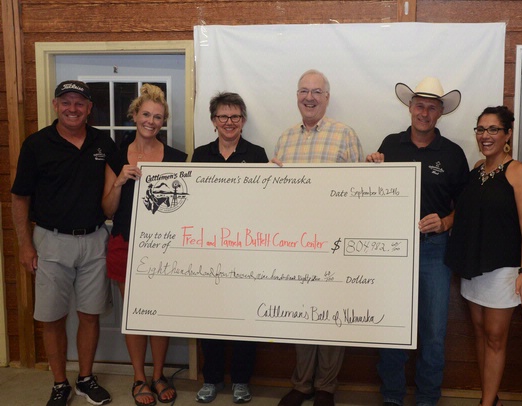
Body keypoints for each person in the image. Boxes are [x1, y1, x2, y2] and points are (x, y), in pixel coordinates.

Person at [11, 80, 116, 406]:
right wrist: (25, 245)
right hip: (51, 241)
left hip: (95, 239)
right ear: (56, 105)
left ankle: (85, 379)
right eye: (66, 102)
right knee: (52, 317)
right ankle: (60, 383)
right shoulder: (36, 144)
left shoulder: (102, 141)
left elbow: (119, 183)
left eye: (79, 103)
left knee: (90, 314)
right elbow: (19, 198)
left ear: (88, 108)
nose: (73, 108)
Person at [368, 77, 470, 406]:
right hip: (394, 251)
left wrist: (444, 223)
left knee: (434, 334)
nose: (424, 112)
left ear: (441, 113)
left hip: (434, 252)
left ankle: (427, 400)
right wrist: (373, 170)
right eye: (419, 105)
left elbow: (464, 209)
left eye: (431, 107)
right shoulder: (390, 145)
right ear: (410, 108)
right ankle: (392, 398)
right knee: (393, 329)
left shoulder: (453, 154)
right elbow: (374, 196)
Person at [274, 69, 363, 406]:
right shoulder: (284, 139)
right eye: (303, 91)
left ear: (327, 97)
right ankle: (301, 385)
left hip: (333, 242)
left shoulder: (345, 135)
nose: (309, 98)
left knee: (330, 315)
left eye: (316, 92)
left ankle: (325, 387)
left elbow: (358, 192)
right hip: (295, 243)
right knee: (301, 313)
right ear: (297, 96)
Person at [445, 106, 522, 406]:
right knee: (481, 334)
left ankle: (486, 403)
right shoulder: (476, 170)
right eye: (481, 129)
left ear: (507, 134)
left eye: (493, 129)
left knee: (496, 337)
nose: (485, 136)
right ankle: (491, 398)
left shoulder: (519, 172)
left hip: (503, 269)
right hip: (475, 267)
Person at [102, 84, 187, 406]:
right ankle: (139, 377)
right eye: (146, 114)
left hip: (163, 246)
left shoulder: (177, 158)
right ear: (135, 115)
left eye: (158, 117)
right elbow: (107, 209)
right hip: (125, 242)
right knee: (134, 313)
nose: (151, 121)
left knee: (159, 313)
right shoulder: (116, 155)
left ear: (163, 122)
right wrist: (121, 181)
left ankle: (159, 374)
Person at [192, 92, 267, 404]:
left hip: (246, 249)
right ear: (213, 121)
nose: (229, 122)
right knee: (210, 315)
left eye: (235, 116)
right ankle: (211, 379)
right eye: (222, 116)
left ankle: (240, 380)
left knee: (244, 317)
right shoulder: (200, 155)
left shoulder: (258, 154)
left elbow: (266, 201)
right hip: (210, 249)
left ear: (243, 121)